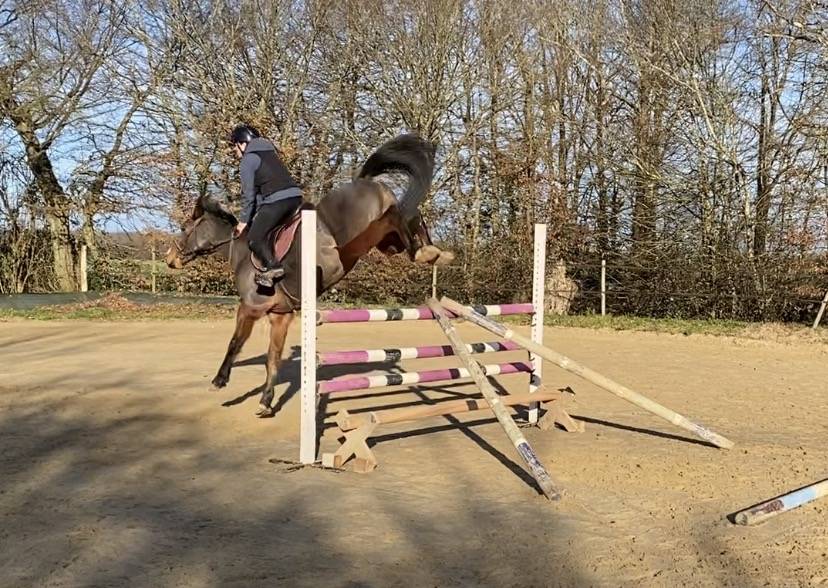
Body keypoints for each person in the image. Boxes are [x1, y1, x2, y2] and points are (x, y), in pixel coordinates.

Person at [229, 124, 303, 286]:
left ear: (242, 144)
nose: (235, 150)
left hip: (278, 202)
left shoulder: (248, 160)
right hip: (296, 198)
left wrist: (242, 223)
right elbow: (259, 195)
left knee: (254, 238)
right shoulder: (269, 154)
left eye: (235, 145)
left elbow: (248, 196)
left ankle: (273, 266)